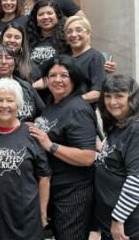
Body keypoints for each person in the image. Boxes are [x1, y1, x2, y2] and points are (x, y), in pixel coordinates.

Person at [28, 55, 98, 240]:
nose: (57, 80)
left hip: (72, 193)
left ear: (74, 78)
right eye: (52, 75)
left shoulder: (78, 109)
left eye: (64, 75)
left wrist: (50, 145)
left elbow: (88, 157)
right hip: (54, 189)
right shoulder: (53, 103)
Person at [0, 78, 50, 239]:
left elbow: (44, 177)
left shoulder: (32, 134)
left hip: (27, 217)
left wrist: (42, 214)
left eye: (10, 100)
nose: (4, 105)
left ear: (18, 105)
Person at [95, 75, 139, 239]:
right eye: (108, 96)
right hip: (114, 220)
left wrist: (118, 219)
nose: (112, 102)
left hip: (131, 225)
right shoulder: (119, 124)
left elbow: (138, 179)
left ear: (132, 99)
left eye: (119, 96)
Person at [64, 15, 108, 104]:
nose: (73, 34)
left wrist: (70, 103)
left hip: (82, 112)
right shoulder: (66, 57)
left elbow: (98, 92)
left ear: (88, 33)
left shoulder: (95, 57)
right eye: (69, 31)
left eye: (78, 30)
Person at [26, 0, 70, 80]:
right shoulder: (27, 40)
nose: (45, 17)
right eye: (41, 14)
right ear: (36, 20)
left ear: (57, 16)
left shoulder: (67, 40)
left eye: (49, 13)